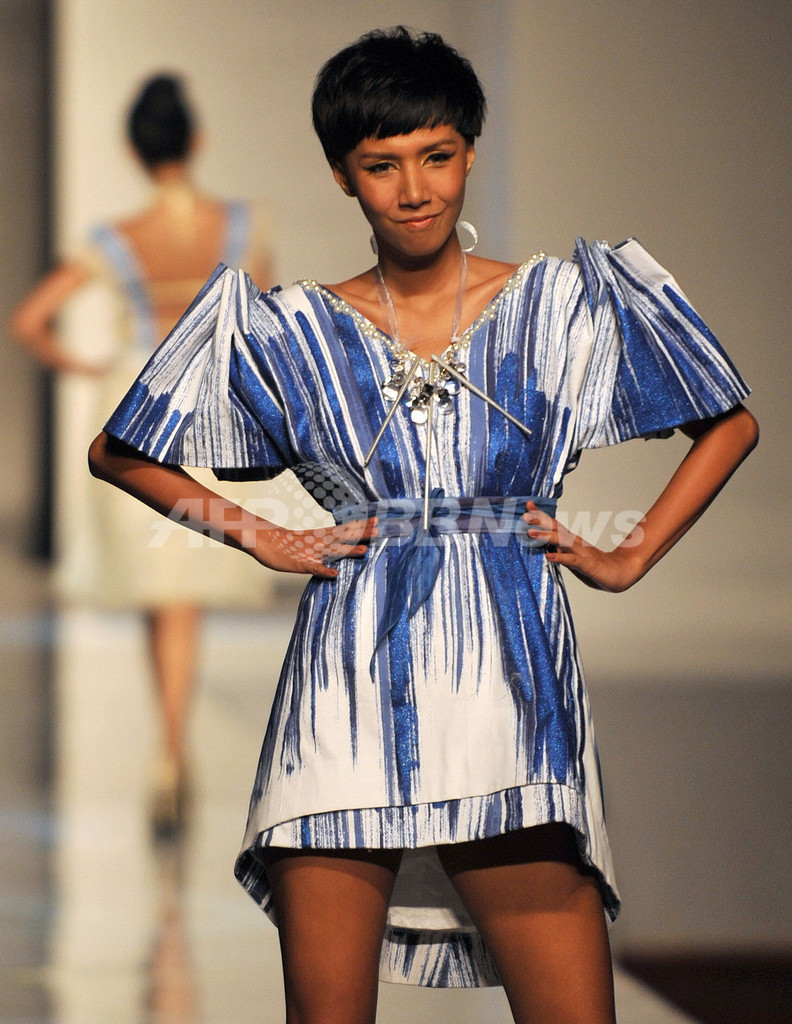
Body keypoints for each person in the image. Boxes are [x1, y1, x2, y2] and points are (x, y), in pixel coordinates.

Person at [87, 27, 758, 1024]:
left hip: (508, 695)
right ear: (342, 176)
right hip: (343, 693)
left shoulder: (558, 307)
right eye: (382, 165)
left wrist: (628, 556)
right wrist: (261, 535)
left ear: (470, 153)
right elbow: (120, 449)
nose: (414, 189)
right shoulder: (294, 330)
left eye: (436, 155)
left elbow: (729, 419)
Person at [11, 73, 274, 839]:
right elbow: (259, 318)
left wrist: (90, 366)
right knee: (183, 589)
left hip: (137, 402)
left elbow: (31, 321)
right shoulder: (241, 227)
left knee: (160, 593)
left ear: (133, 149)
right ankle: (171, 744)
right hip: (210, 402)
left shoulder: (114, 239)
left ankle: (168, 748)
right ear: (198, 140)